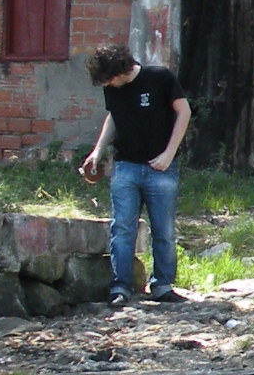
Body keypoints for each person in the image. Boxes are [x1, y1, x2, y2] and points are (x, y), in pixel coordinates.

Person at [80, 44, 193, 307]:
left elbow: (184, 111)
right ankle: (121, 287)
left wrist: (169, 153)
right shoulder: (112, 88)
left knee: (163, 229)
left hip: (160, 168)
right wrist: (98, 152)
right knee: (122, 228)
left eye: (109, 78)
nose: (107, 84)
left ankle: (162, 286)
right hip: (125, 166)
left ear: (120, 69)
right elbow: (114, 117)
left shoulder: (159, 77)